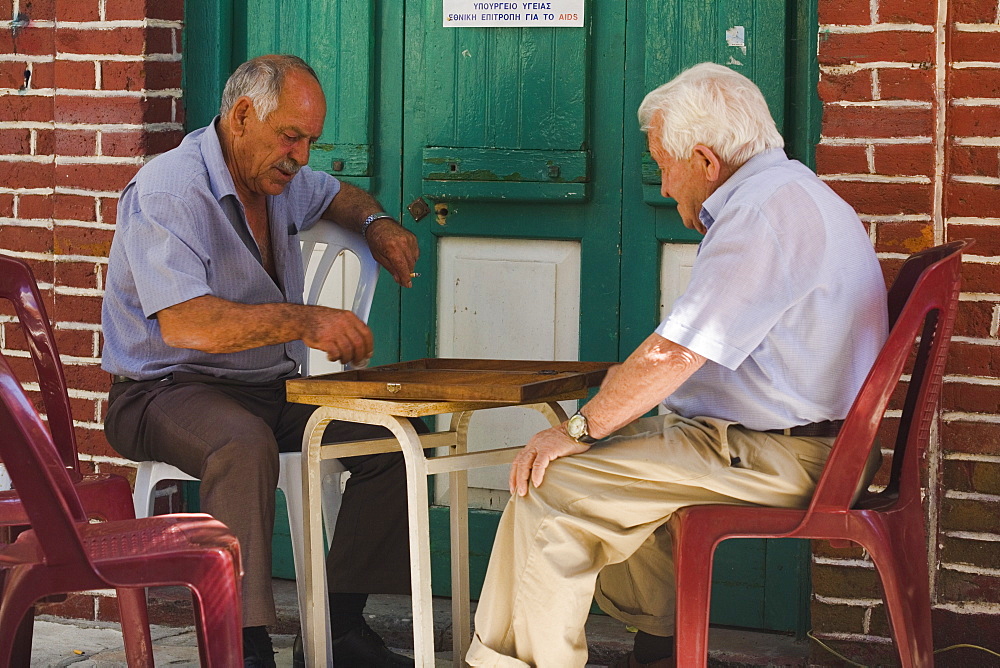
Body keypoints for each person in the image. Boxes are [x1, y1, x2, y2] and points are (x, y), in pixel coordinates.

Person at [464, 62, 889, 668]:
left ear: (705, 161)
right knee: (621, 447)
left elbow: (676, 351)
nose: (664, 186)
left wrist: (575, 429)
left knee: (551, 484)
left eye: (664, 165)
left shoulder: (764, 214)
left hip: (792, 457)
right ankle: (662, 649)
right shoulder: (791, 193)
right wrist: (611, 422)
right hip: (791, 444)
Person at [102, 55, 420, 667]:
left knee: (391, 437)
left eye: (311, 141)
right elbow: (188, 323)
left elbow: (339, 194)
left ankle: (337, 629)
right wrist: (308, 319)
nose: (302, 156)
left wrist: (377, 223)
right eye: (291, 137)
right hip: (162, 389)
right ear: (243, 115)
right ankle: (240, 648)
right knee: (243, 445)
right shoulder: (168, 190)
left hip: (270, 387)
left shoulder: (279, 179)